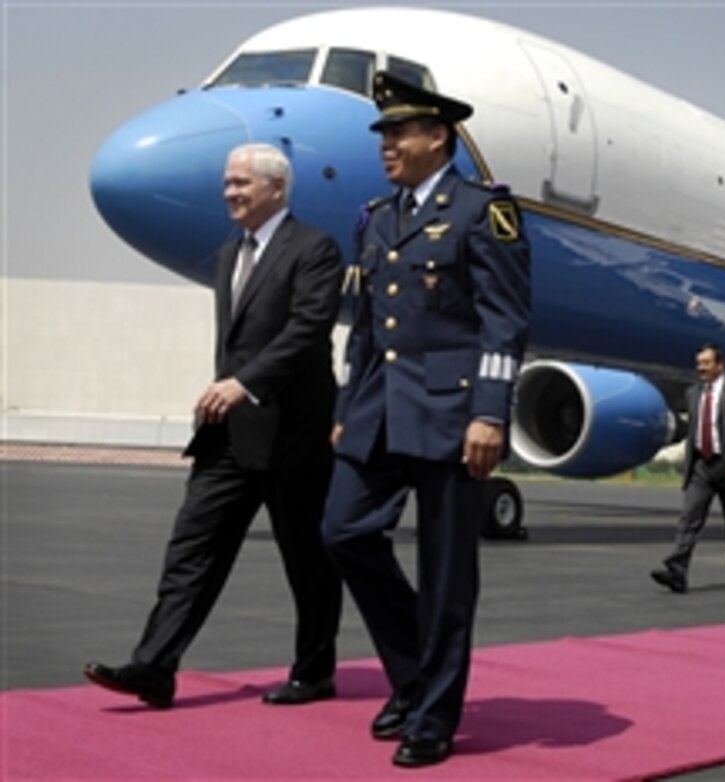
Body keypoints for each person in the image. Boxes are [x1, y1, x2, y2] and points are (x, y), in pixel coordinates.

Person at [84, 143, 343, 708]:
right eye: (227, 183)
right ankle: (154, 667)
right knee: (191, 550)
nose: (229, 192)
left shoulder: (316, 249)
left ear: (276, 189)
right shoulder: (230, 253)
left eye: (240, 183)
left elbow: (307, 331)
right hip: (227, 435)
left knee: (307, 561)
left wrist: (244, 383)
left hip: (292, 434)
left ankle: (315, 670)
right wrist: (229, 392)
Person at [322, 72, 531, 768]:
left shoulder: (483, 212)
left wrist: (490, 415)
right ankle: (414, 674)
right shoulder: (376, 217)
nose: (386, 144)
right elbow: (364, 328)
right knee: (343, 529)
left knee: (445, 573)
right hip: (378, 409)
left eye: (399, 131)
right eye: (382, 133)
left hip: (452, 414)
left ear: (437, 136)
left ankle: (434, 716)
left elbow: (505, 323)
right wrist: (348, 408)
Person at [651, 343, 725, 594]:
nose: (701, 368)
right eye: (699, 363)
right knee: (689, 518)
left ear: (720, 365)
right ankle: (677, 570)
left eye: (707, 363)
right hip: (701, 466)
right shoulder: (693, 394)